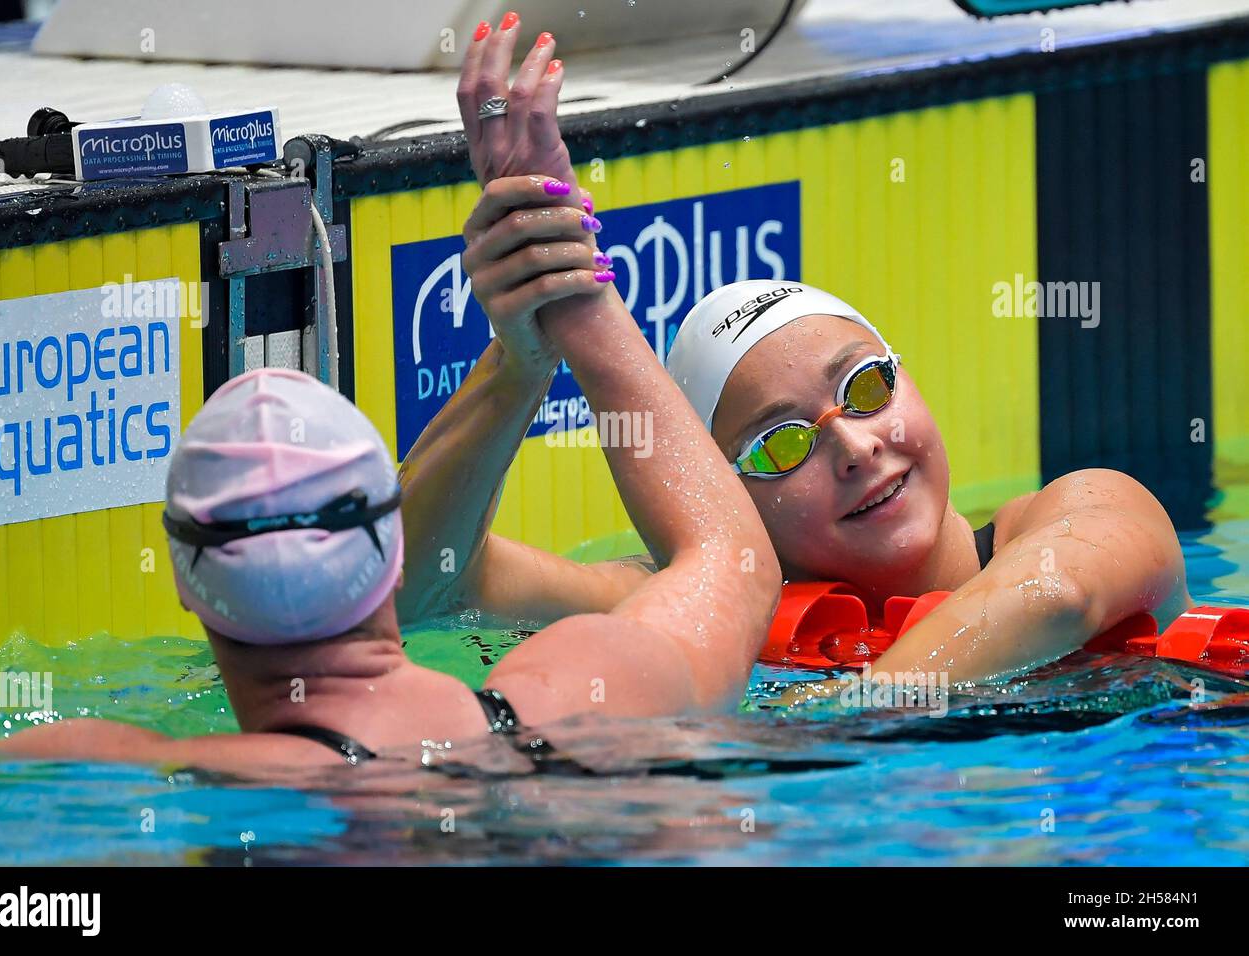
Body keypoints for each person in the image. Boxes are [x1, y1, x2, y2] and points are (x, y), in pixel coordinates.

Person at [398, 14, 1193, 689]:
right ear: (727, 499)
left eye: (868, 388)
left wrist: (854, 715)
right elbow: (426, 589)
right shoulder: (711, 599)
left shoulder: (1087, 505)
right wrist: (521, 366)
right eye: (782, 444)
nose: (852, 444)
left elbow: (1058, 597)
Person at [0, 223, 780, 769]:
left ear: (183, 583)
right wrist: (569, 280)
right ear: (391, 551)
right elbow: (731, 565)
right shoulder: (594, 682)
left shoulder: (142, 764)